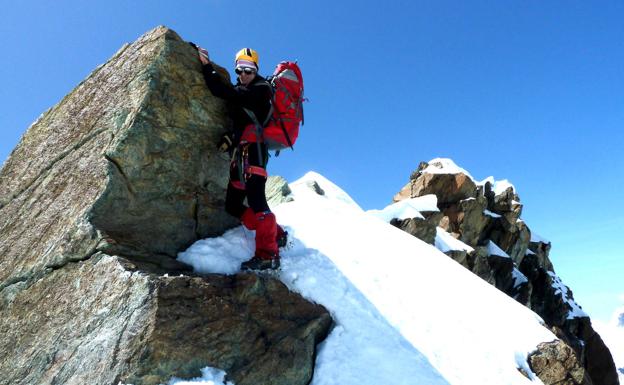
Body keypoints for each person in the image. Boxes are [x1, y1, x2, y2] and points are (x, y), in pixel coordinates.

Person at [197, 46, 285, 271]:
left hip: (254, 152)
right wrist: (230, 138)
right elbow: (242, 121)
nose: (243, 75)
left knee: (256, 201)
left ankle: (267, 254)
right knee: (233, 205)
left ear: (256, 70)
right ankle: (277, 234)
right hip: (241, 153)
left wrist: (207, 66)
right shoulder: (244, 90)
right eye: (240, 70)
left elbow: (224, 91)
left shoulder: (262, 88)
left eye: (248, 70)